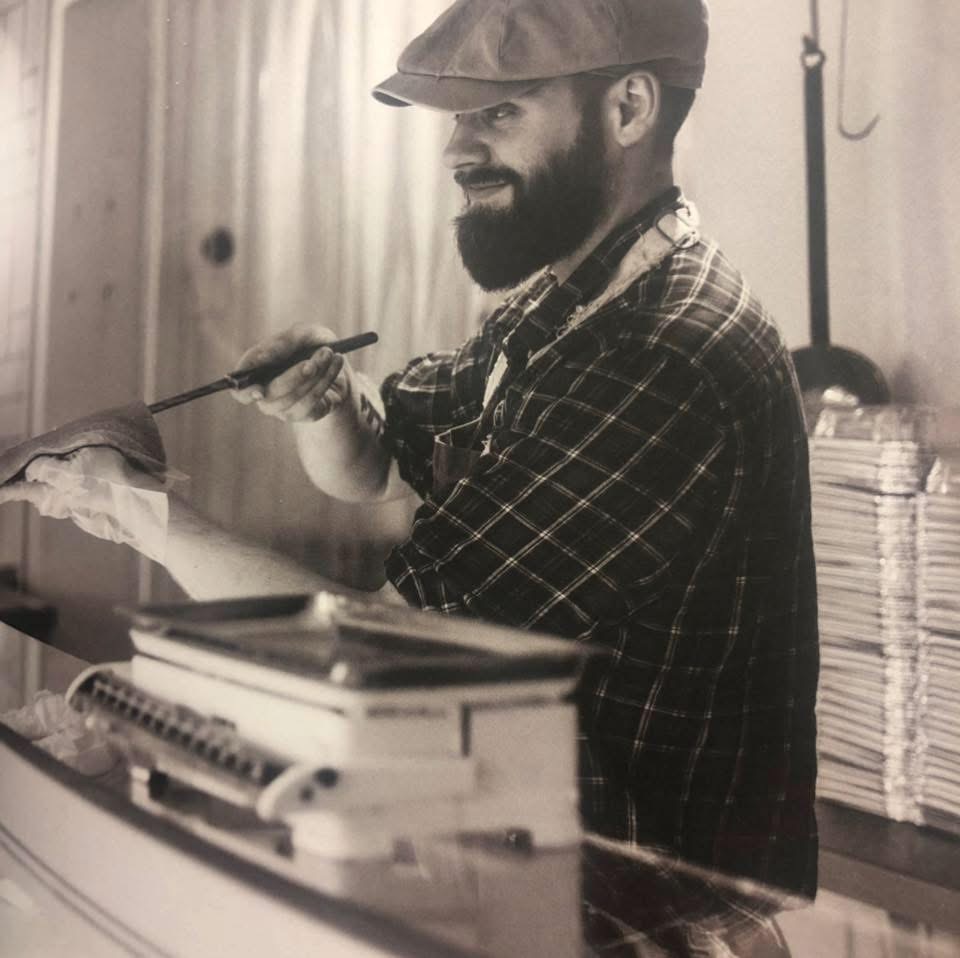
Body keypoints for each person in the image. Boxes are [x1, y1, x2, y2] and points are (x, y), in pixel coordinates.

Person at [2, 0, 819, 904]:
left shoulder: (663, 358)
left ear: (628, 110)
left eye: (499, 112)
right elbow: (383, 466)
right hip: (504, 847)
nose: (456, 150)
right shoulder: (563, 305)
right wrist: (325, 404)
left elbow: (383, 659)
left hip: (630, 908)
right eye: (458, 115)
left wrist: (132, 509)